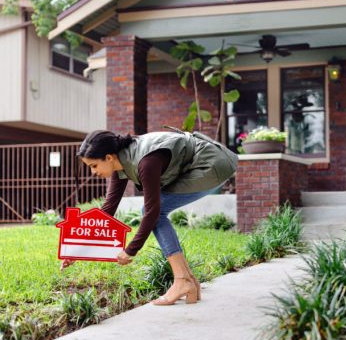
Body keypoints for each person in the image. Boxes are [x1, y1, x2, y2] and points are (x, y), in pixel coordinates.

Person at [63, 129, 237, 306]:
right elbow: (107, 212)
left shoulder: (146, 163)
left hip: (212, 164)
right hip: (202, 163)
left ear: (108, 157)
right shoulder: (120, 164)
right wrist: (78, 251)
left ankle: (182, 280)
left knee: (154, 211)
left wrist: (131, 250)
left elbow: (152, 212)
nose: (93, 172)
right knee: (153, 210)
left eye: (94, 166)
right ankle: (188, 280)